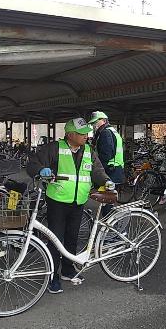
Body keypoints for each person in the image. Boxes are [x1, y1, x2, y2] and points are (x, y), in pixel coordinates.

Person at [27, 117, 112, 294]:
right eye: (82, 134)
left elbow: (97, 171)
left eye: (87, 133)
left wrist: (107, 182)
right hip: (57, 200)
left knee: (72, 237)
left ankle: (68, 270)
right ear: (70, 134)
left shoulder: (88, 150)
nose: (86, 137)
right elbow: (33, 163)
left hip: (78, 201)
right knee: (55, 239)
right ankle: (52, 276)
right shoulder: (54, 148)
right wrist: (40, 170)